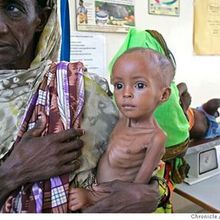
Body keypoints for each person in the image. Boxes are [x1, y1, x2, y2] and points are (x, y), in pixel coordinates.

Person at [0, 0, 161, 213]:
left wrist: (148, 194)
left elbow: (140, 162)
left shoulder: (81, 88)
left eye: (13, 8)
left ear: (41, 19)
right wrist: (12, 172)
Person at [68, 47, 174, 211]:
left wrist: (90, 197)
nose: (126, 93)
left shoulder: (156, 138)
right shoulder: (121, 118)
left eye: (139, 85)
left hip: (110, 200)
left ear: (164, 95)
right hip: (94, 185)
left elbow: (133, 192)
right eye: (118, 85)